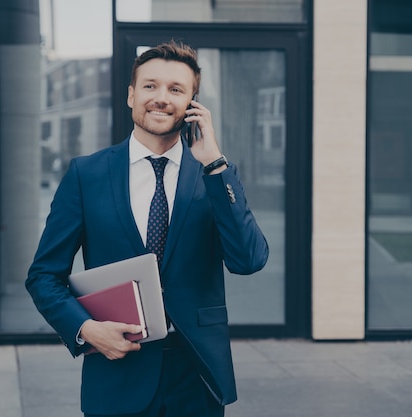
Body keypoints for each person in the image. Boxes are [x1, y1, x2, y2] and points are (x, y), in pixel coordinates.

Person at [25, 40, 269, 417]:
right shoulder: (86, 175)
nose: (161, 98)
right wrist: (86, 328)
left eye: (176, 89)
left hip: (198, 375)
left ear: (192, 105)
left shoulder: (214, 176)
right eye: (150, 86)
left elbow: (248, 260)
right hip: (117, 373)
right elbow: (43, 275)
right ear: (131, 95)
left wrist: (216, 166)